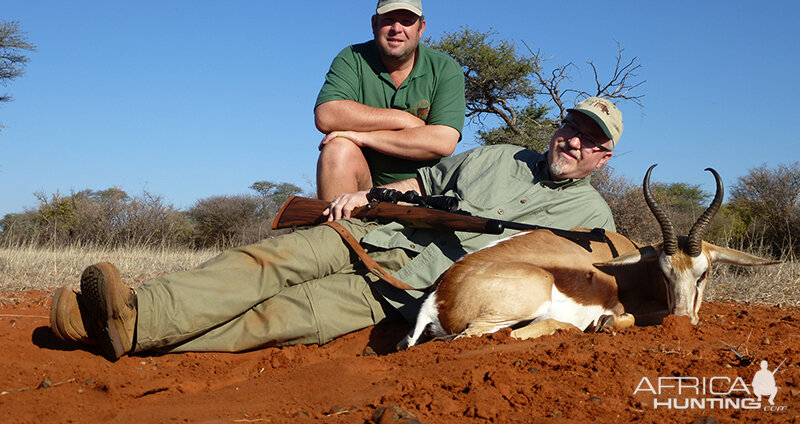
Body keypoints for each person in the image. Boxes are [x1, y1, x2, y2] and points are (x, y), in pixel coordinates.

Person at [49, 96, 623, 361]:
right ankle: (139, 314)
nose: (575, 143)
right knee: (264, 264)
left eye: (593, 141)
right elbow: (424, 187)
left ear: (604, 159)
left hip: (407, 293)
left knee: (280, 321)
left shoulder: (595, 221)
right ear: (560, 126)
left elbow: (604, 279)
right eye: (573, 127)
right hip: (377, 233)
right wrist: (368, 196)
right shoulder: (497, 155)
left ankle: (113, 330)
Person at [314, 0, 466, 201]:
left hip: (423, 191)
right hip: (364, 186)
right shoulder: (352, 57)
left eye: (406, 21)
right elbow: (327, 115)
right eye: (388, 20)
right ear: (374, 24)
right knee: (337, 149)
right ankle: (338, 231)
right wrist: (403, 119)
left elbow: (442, 142)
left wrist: (362, 137)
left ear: (421, 28)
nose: (397, 28)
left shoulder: (445, 68)